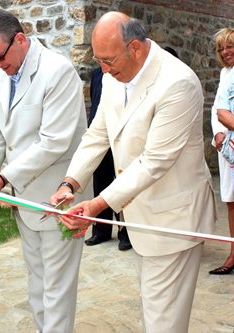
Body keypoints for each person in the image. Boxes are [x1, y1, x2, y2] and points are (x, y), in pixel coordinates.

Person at [51, 11, 216, 333]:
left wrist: (97, 205)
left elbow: (154, 160)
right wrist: (69, 183)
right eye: (99, 61)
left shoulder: (177, 83)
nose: (104, 70)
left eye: (109, 60)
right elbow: (97, 134)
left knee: (163, 322)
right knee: (156, 313)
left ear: (136, 48)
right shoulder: (116, 75)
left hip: (174, 220)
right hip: (143, 217)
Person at [0, 8, 92, 333]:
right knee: (37, 285)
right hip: (26, 203)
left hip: (59, 200)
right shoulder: (2, 72)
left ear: (20, 39)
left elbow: (53, 142)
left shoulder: (58, 72)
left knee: (56, 291)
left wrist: (3, 177)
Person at [85, 67, 131, 250]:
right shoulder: (97, 74)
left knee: (124, 185)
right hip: (101, 138)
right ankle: (100, 230)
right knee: (100, 183)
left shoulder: (126, 73)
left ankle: (125, 232)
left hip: (122, 138)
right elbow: (96, 104)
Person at [209, 27, 234, 275]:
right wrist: (218, 132)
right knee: (231, 201)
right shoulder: (224, 73)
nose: (225, 52)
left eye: (230, 46)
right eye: (221, 48)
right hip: (228, 147)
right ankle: (233, 253)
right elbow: (218, 106)